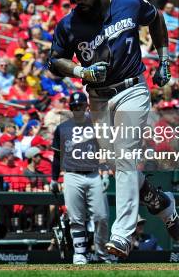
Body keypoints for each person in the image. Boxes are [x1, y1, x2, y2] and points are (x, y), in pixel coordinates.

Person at [48, 0, 179, 259]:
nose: (76, 0)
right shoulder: (69, 24)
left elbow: (156, 19)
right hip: (98, 98)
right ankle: (158, 201)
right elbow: (54, 61)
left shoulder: (129, 4)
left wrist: (163, 59)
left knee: (124, 156)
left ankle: (122, 234)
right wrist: (80, 72)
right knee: (119, 162)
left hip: (132, 89)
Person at [50, 92, 110, 264]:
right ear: (71, 108)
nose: (78, 109)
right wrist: (54, 179)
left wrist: (105, 173)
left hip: (93, 175)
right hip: (72, 175)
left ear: (86, 106)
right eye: (74, 106)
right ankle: (80, 254)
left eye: (80, 106)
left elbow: (104, 151)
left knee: (101, 217)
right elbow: (56, 157)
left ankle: (101, 253)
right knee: (76, 218)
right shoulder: (62, 128)